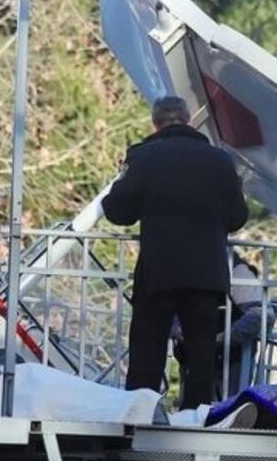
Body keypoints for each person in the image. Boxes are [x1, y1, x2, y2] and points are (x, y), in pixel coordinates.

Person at [101, 95, 248, 411]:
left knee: (148, 350)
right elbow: (238, 217)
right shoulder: (220, 161)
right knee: (201, 353)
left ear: (155, 123)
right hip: (207, 275)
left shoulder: (143, 157)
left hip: (158, 272)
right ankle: (196, 417)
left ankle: (141, 416)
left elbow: (117, 211)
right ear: (189, 120)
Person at [173, 250, 277, 400]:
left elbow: (261, 315)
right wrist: (180, 330)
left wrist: (222, 338)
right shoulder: (180, 264)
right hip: (194, 355)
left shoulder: (235, 269)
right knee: (195, 410)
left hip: (230, 359)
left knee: (226, 410)